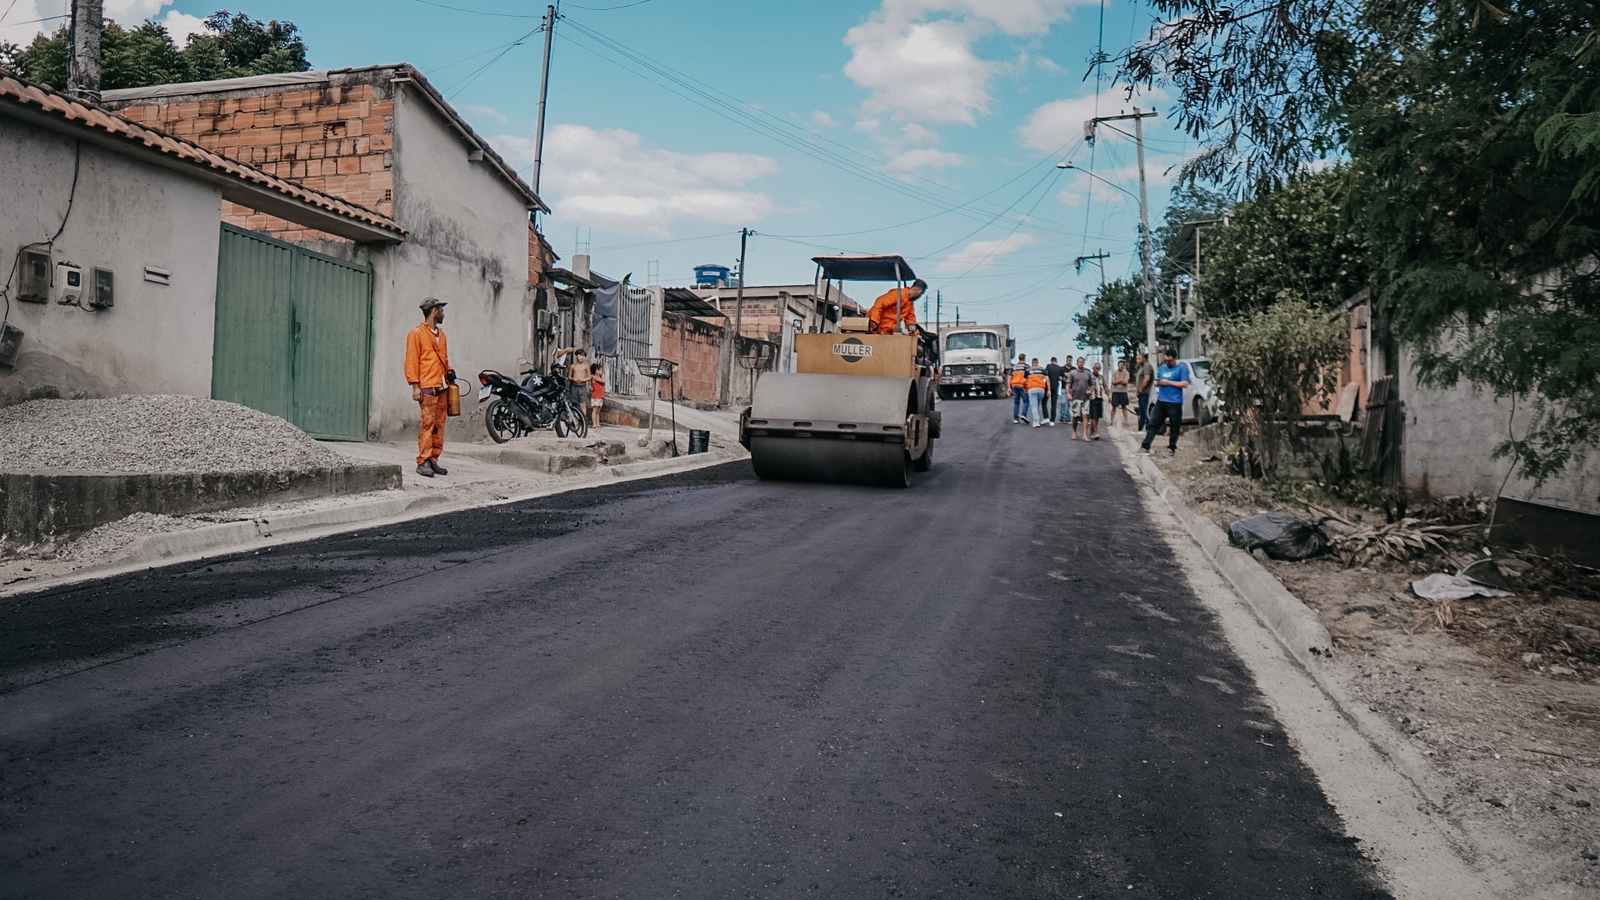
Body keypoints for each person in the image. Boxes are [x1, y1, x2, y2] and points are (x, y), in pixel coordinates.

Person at [404, 297, 454, 478]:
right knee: (427, 424)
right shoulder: (416, 333)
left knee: (439, 424)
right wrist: (415, 386)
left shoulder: (442, 335)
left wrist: (450, 371)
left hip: (442, 386)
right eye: (441, 310)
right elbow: (411, 361)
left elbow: (444, 358)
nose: (443, 313)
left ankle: (433, 459)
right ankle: (423, 461)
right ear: (434, 311)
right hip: (426, 387)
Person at [1140, 348, 1191, 457]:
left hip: (1175, 402)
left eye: (1170, 361)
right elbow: (1156, 380)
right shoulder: (1162, 368)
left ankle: (1171, 448)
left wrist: (1168, 382)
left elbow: (1185, 384)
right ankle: (1145, 446)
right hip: (1161, 401)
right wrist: (1157, 383)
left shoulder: (1181, 368)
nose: (1167, 363)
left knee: (1174, 426)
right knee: (1153, 424)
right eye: (1166, 360)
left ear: (1174, 359)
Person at [1065, 356, 1093, 440]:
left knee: (1085, 416)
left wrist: (1091, 391)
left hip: (1086, 398)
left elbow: (1091, 385)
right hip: (1076, 397)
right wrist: (1068, 394)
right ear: (1077, 363)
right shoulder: (1072, 373)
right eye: (1079, 362)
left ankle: (1085, 434)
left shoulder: (1088, 373)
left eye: (1082, 362)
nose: (1081, 363)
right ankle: (1074, 431)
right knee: (1075, 416)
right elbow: (1068, 384)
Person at [567, 348, 592, 421]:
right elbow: (569, 377)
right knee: (575, 404)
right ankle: (576, 419)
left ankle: (583, 420)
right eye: (580, 355)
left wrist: (583, 379)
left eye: (584, 356)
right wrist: (573, 379)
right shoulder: (572, 366)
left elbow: (589, 377)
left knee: (583, 404)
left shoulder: (586, 366)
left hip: (583, 387)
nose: (582, 357)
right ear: (576, 356)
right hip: (574, 387)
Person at [1134, 352, 1155, 431]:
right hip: (1141, 393)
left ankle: (1147, 427)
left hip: (1145, 392)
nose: (1137, 360)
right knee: (1141, 411)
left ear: (1144, 358)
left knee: (1145, 410)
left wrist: (1141, 389)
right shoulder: (1141, 367)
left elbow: (1147, 379)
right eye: (1137, 359)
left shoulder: (1147, 366)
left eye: (1139, 359)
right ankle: (1141, 428)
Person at [1025, 357, 1048, 427]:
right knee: (1037, 405)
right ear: (1038, 363)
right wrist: (1049, 389)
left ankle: (1036, 421)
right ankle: (1037, 418)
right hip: (1041, 389)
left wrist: (1025, 388)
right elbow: (1047, 379)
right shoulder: (1043, 369)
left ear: (1032, 363)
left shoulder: (1028, 370)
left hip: (1032, 389)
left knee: (1034, 406)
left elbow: (1023, 380)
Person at [1109, 359, 1132, 428]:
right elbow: (1113, 382)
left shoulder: (1126, 373)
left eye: (1122, 365)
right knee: (1114, 407)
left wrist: (1118, 381)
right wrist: (1121, 380)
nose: (1121, 366)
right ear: (1118, 365)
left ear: (1124, 366)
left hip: (1123, 392)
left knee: (1124, 407)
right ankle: (1111, 421)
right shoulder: (1114, 373)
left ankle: (1126, 421)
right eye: (1120, 365)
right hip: (1115, 392)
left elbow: (1126, 382)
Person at [1088, 361, 1106, 440]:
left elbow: (1105, 386)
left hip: (1099, 398)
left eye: (1099, 369)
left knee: (1097, 417)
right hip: (1092, 399)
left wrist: (1109, 396)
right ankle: (1096, 432)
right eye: (1096, 368)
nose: (1097, 370)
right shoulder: (1089, 376)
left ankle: (1092, 432)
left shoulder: (1101, 377)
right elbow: (1086, 386)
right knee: (1093, 416)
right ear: (1093, 368)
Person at [1044, 356, 1065, 424]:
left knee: (1044, 402)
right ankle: (1052, 420)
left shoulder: (1048, 366)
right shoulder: (1059, 368)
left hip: (1048, 387)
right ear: (1056, 361)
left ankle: (1046, 417)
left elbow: (1046, 376)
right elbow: (1063, 377)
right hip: (1056, 387)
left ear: (1051, 361)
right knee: (1054, 404)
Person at [1009, 353, 1028, 423]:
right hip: (1022, 385)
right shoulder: (1026, 367)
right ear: (1024, 358)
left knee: (1016, 402)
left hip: (1014, 385)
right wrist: (1026, 387)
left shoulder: (1014, 367)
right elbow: (1026, 378)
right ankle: (1024, 414)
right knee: (1026, 401)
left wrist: (1009, 387)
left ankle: (1015, 418)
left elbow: (1009, 377)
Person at [588, 362, 606, 429]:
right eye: (601, 370)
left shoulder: (599, 378)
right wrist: (603, 377)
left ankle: (598, 423)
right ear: (596, 370)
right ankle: (594, 423)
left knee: (598, 411)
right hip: (596, 396)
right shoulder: (594, 377)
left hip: (600, 396)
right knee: (595, 410)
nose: (602, 372)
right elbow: (603, 381)